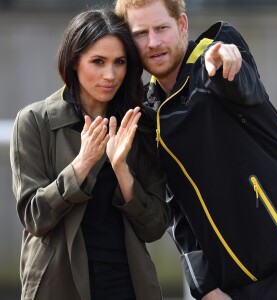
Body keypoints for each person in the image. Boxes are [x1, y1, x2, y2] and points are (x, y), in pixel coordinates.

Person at [114, 0, 277, 299]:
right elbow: (177, 208)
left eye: (161, 28)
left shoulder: (213, 61)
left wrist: (227, 60)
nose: (154, 42)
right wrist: (206, 288)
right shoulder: (149, 112)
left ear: (182, 24)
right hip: (232, 288)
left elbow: (242, 84)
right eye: (141, 33)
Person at [10, 8, 171, 300]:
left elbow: (155, 227)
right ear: (74, 62)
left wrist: (122, 169)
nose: (110, 75)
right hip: (58, 286)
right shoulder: (34, 121)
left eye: (119, 62)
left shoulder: (140, 123)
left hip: (126, 285)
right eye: (98, 61)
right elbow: (35, 218)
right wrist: (82, 165)